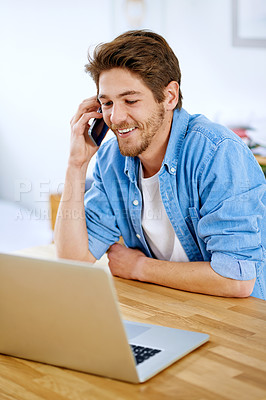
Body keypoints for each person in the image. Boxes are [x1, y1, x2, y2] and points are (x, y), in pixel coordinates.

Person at [55, 30, 266, 299]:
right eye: (107, 103)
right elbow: (73, 262)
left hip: (235, 322)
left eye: (130, 100)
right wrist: (76, 164)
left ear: (169, 96)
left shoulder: (218, 153)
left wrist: (139, 267)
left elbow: (236, 280)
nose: (116, 117)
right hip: (169, 312)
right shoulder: (112, 160)